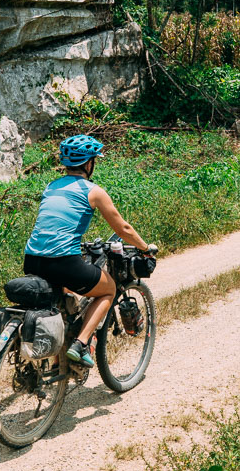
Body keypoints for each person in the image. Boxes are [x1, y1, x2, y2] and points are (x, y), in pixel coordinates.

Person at [23, 134, 152, 368]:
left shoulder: (50, 187)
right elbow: (122, 228)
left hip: (32, 259)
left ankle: (58, 361)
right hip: (62, 261)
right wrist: (145, 248)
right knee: (108, 290)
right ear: (89, 163)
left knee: (63, 298)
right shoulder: (93, 191)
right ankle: (81, 344)